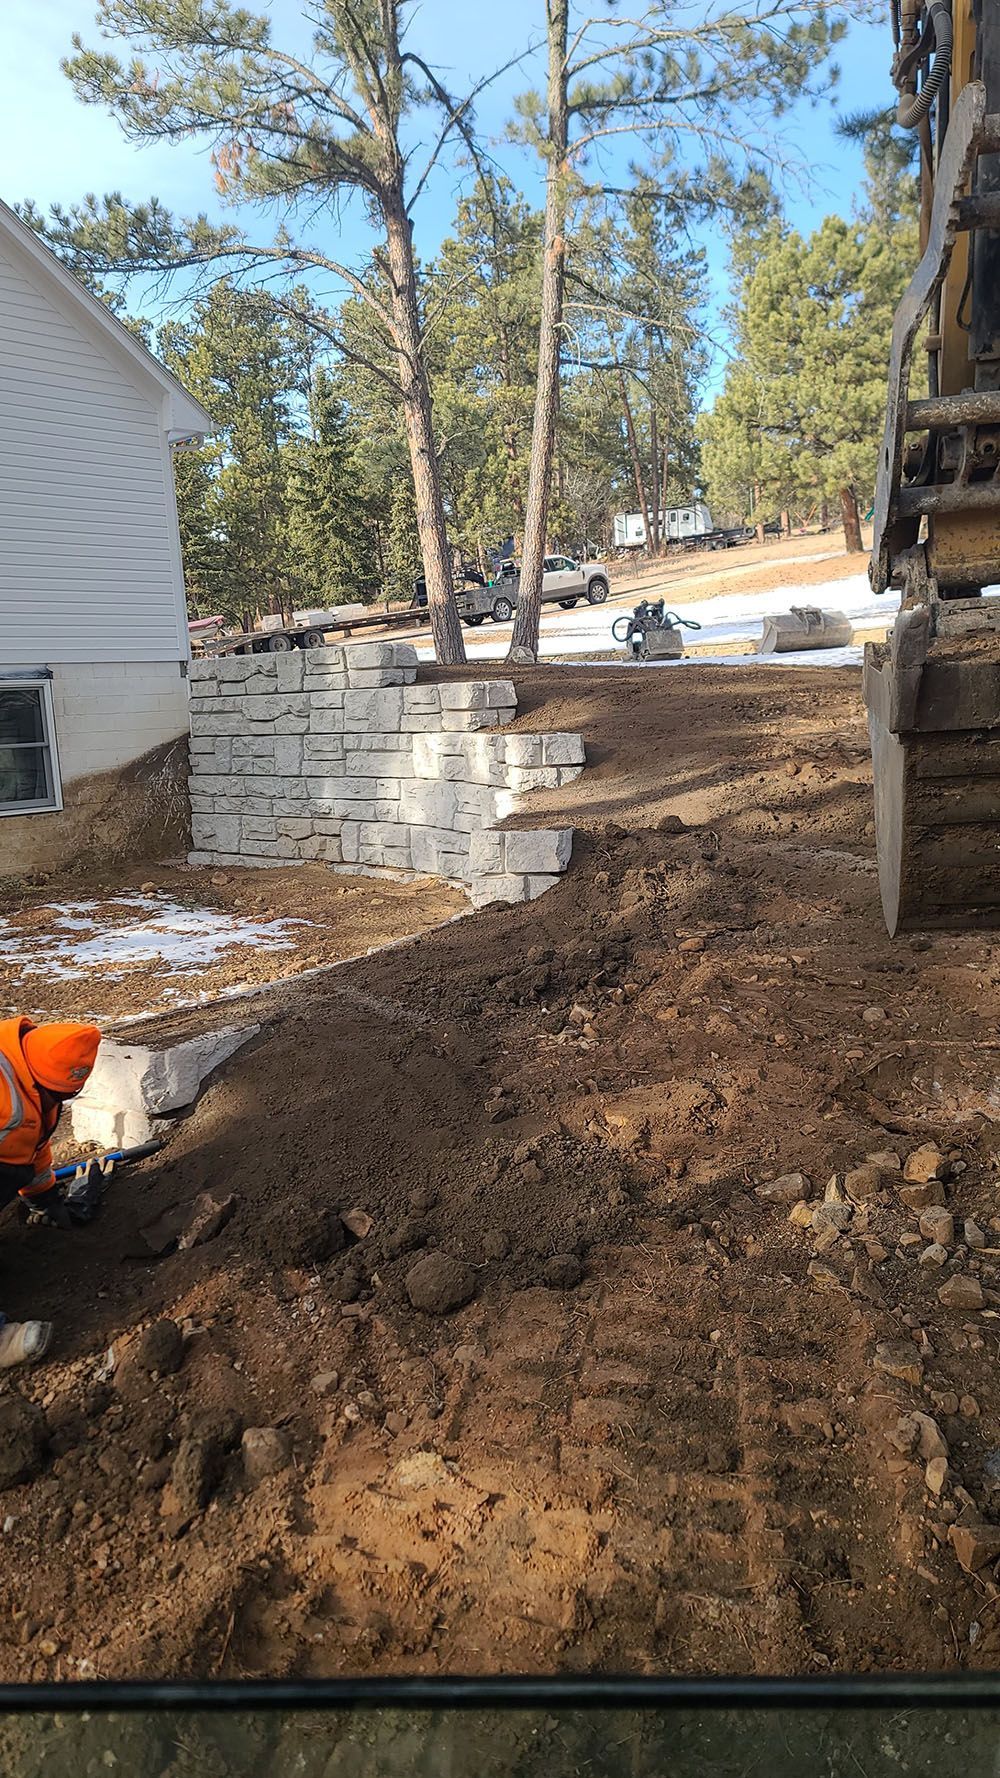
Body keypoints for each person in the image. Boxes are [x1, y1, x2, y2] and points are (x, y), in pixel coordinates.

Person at [0, 1017, 101, 1369]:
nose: (62, 1100)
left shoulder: (29, 1073)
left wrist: (43, 1196)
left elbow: (33, 1143)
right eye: (59, 1095)